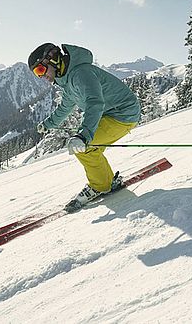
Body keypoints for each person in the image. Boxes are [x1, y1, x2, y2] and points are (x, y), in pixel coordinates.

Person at [28, 43, 141, 212]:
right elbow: (65, 107)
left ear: (53, 60)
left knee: (84, 148)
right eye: (37, 74)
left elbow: (95, 102)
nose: (41, 77)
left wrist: (83, 136)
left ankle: (101, 185)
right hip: (111, 114)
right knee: (89, 148)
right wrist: (48, 124)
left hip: (122, 114)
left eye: (40, 70)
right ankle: (106, 181)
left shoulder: (81, 73)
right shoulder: (68, 80)